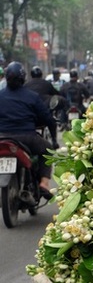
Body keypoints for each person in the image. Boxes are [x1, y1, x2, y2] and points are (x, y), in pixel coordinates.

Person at [0, 62, 58, 201]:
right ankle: (44, 183)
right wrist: (54, 139)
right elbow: (48, 119)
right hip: (27, 137)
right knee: (48, 149)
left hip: (2, 138)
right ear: (23, 78)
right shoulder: (31, 96)